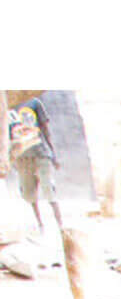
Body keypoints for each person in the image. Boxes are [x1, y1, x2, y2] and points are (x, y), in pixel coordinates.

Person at [7, 97, 64, 241]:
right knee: (29, 194)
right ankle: (40, 225)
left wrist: (53, 154)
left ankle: (61, 226)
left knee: (49, 190)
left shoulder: (34, 102)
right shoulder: (6, 105)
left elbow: (45, 129)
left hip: (41, 153)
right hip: (22, 158)